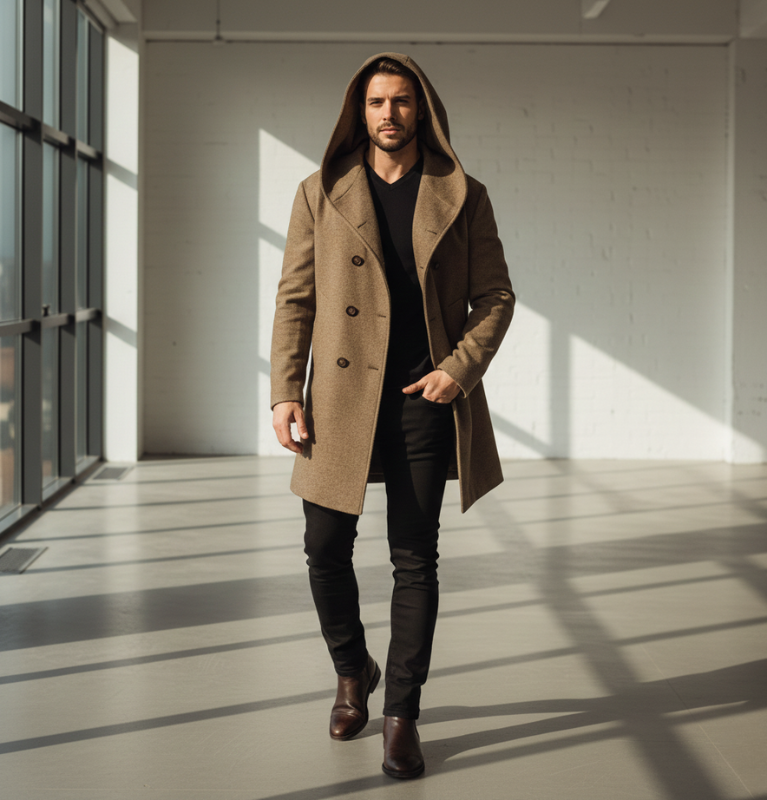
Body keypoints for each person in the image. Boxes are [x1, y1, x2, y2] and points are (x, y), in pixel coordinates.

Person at [271, 52, 514, 780]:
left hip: (420, 397)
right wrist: (287, 389)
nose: (388, 115)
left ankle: (402, 714)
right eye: (377, 102)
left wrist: (457, 371)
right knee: (323, 547)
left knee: (415, 558)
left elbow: (496, 297)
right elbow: (296, 299)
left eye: (401, 101)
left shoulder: (463, 195)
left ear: (422, 110)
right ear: (360, 111)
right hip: (340, 399)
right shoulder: (320, 192)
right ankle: (354, 673)